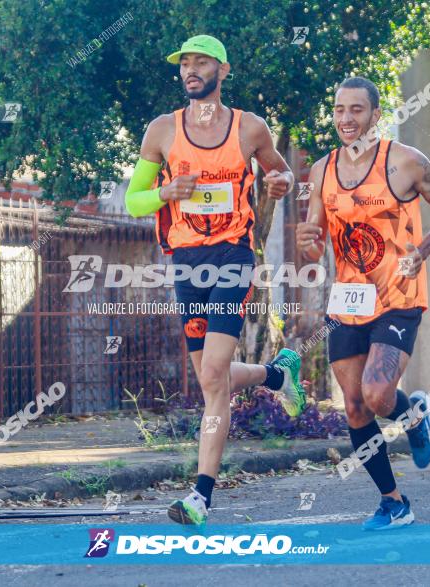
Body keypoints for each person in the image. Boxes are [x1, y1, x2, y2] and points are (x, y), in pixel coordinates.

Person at [124, 34, 306, 525]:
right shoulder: (162, 131)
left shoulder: (250, 128)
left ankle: (200, 497)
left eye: (201, 61)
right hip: (186, 260)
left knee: (211, 378)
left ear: (223, 70)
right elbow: (133, 200)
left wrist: (280, 183)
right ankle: (275, 374)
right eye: (185, 62)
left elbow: (281, 174)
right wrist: (166, 191)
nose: (191, 69)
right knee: (215, 376)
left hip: (232, 255)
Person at [296, 76, 430, 530]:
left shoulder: (405, 161)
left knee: (376, 393)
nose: (346, 120)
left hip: (398, 295)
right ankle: (394, 502)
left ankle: (413, 413)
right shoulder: (322, 171)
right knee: (354, 407)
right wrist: (306, 240)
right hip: (348, 299)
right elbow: (315, 246)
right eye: (339, 110)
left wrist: (422, 251)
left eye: (356, 110)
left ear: (374, 115)